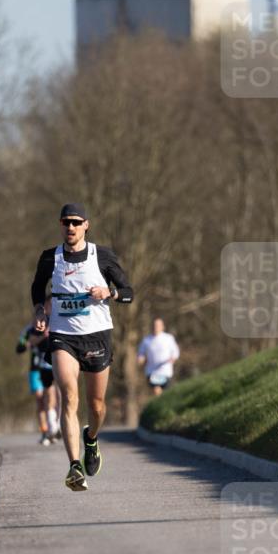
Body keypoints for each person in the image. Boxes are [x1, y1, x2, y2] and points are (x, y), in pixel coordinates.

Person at [31, 203, 133, 491]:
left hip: (97, 335)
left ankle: (91, 438)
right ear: (60, 225)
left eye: (76, 222)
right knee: (69, 396)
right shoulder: (50, 258)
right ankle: (74, 467)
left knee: (97, 406)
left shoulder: (101, 256)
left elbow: (129, 292)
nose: (71, 227)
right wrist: (40, 310)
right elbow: (37, 288)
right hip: (63, 336)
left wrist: (108, 292)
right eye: (66, 222)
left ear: (86, 225)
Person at [16, 297, 60, 445]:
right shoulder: (30, 329)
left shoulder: (59, 323)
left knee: (56, 397)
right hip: (36, 368)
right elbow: (20, 347)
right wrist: (41, 337)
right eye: (47, 305)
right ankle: (45, 431)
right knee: (41, 399)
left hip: (55, 365)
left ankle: (56, 426)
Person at [137, 318, 180, 396]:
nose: (156, 327)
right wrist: (141, 358)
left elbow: (175, 352)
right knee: (156, 389)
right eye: (154, 325)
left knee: (166, 393)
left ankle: (162, 404)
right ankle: (159, 403)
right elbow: (141, 353)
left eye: (158, 325)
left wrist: (173, 359)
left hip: (165, 371)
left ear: (163, 327)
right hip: (152, 371)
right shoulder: (146, 340)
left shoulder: (168, 338)